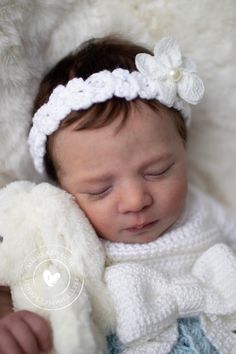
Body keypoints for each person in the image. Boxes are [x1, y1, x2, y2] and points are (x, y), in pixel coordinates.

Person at [1, 35, 236, 354]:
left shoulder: (201, 208)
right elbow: (15, 270)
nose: (136, 201)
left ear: (183, 150)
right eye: (100, 189)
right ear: (62, 188)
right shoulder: (62, 231)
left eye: (158, 171)